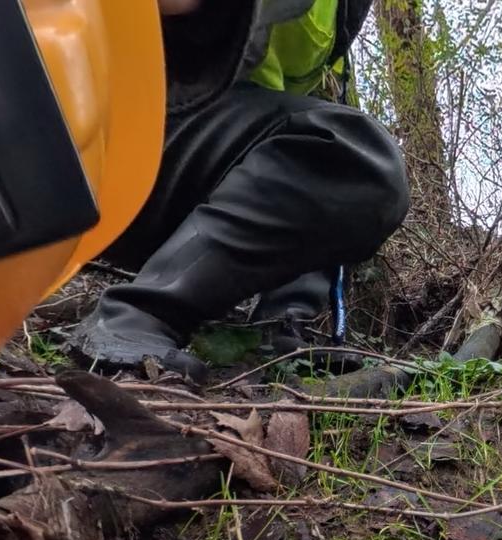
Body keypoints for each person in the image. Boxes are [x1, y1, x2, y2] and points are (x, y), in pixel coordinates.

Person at [73, 0, 409, 382]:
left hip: (190, 151)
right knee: (355, 155)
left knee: (336, 155)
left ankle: (279, 330)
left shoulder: (341, 13)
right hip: (98, 124)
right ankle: (134, 318)